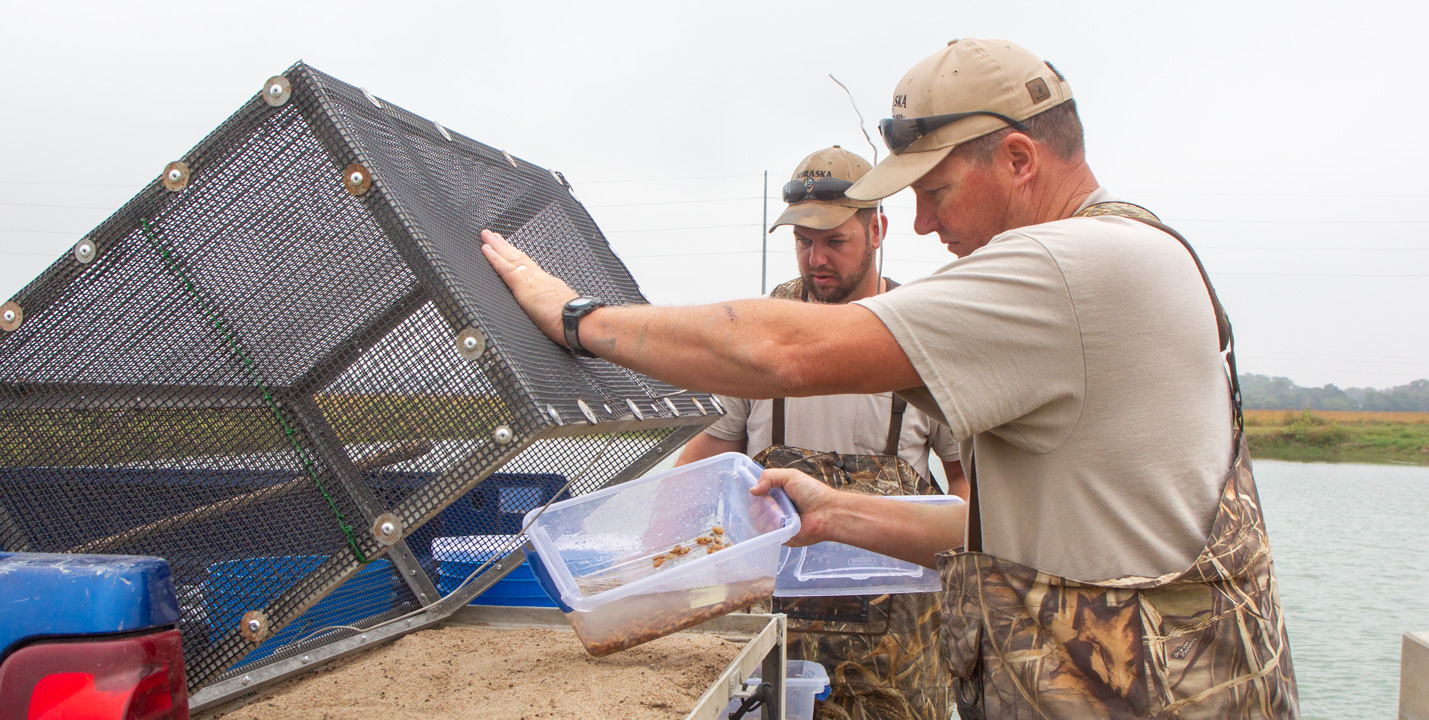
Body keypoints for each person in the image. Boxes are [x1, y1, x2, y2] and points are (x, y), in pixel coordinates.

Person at [481, 37, 1297, 719]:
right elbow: (993, 525)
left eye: (935, 191)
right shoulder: (1125, 254)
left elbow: (778, 352)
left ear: (1018, 158)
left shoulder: (1067, 266)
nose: (922, 222)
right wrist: (834, 511)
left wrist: (575, 317)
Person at [675, 145, 965, 720]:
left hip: (897, 661)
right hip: (774, 651)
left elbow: (969, 487)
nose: (816, 259)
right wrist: (650, 565)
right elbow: (702, 461)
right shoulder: (760, 335)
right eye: (804, 241)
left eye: (835, 240)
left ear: (878, 229)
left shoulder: (923, 335)